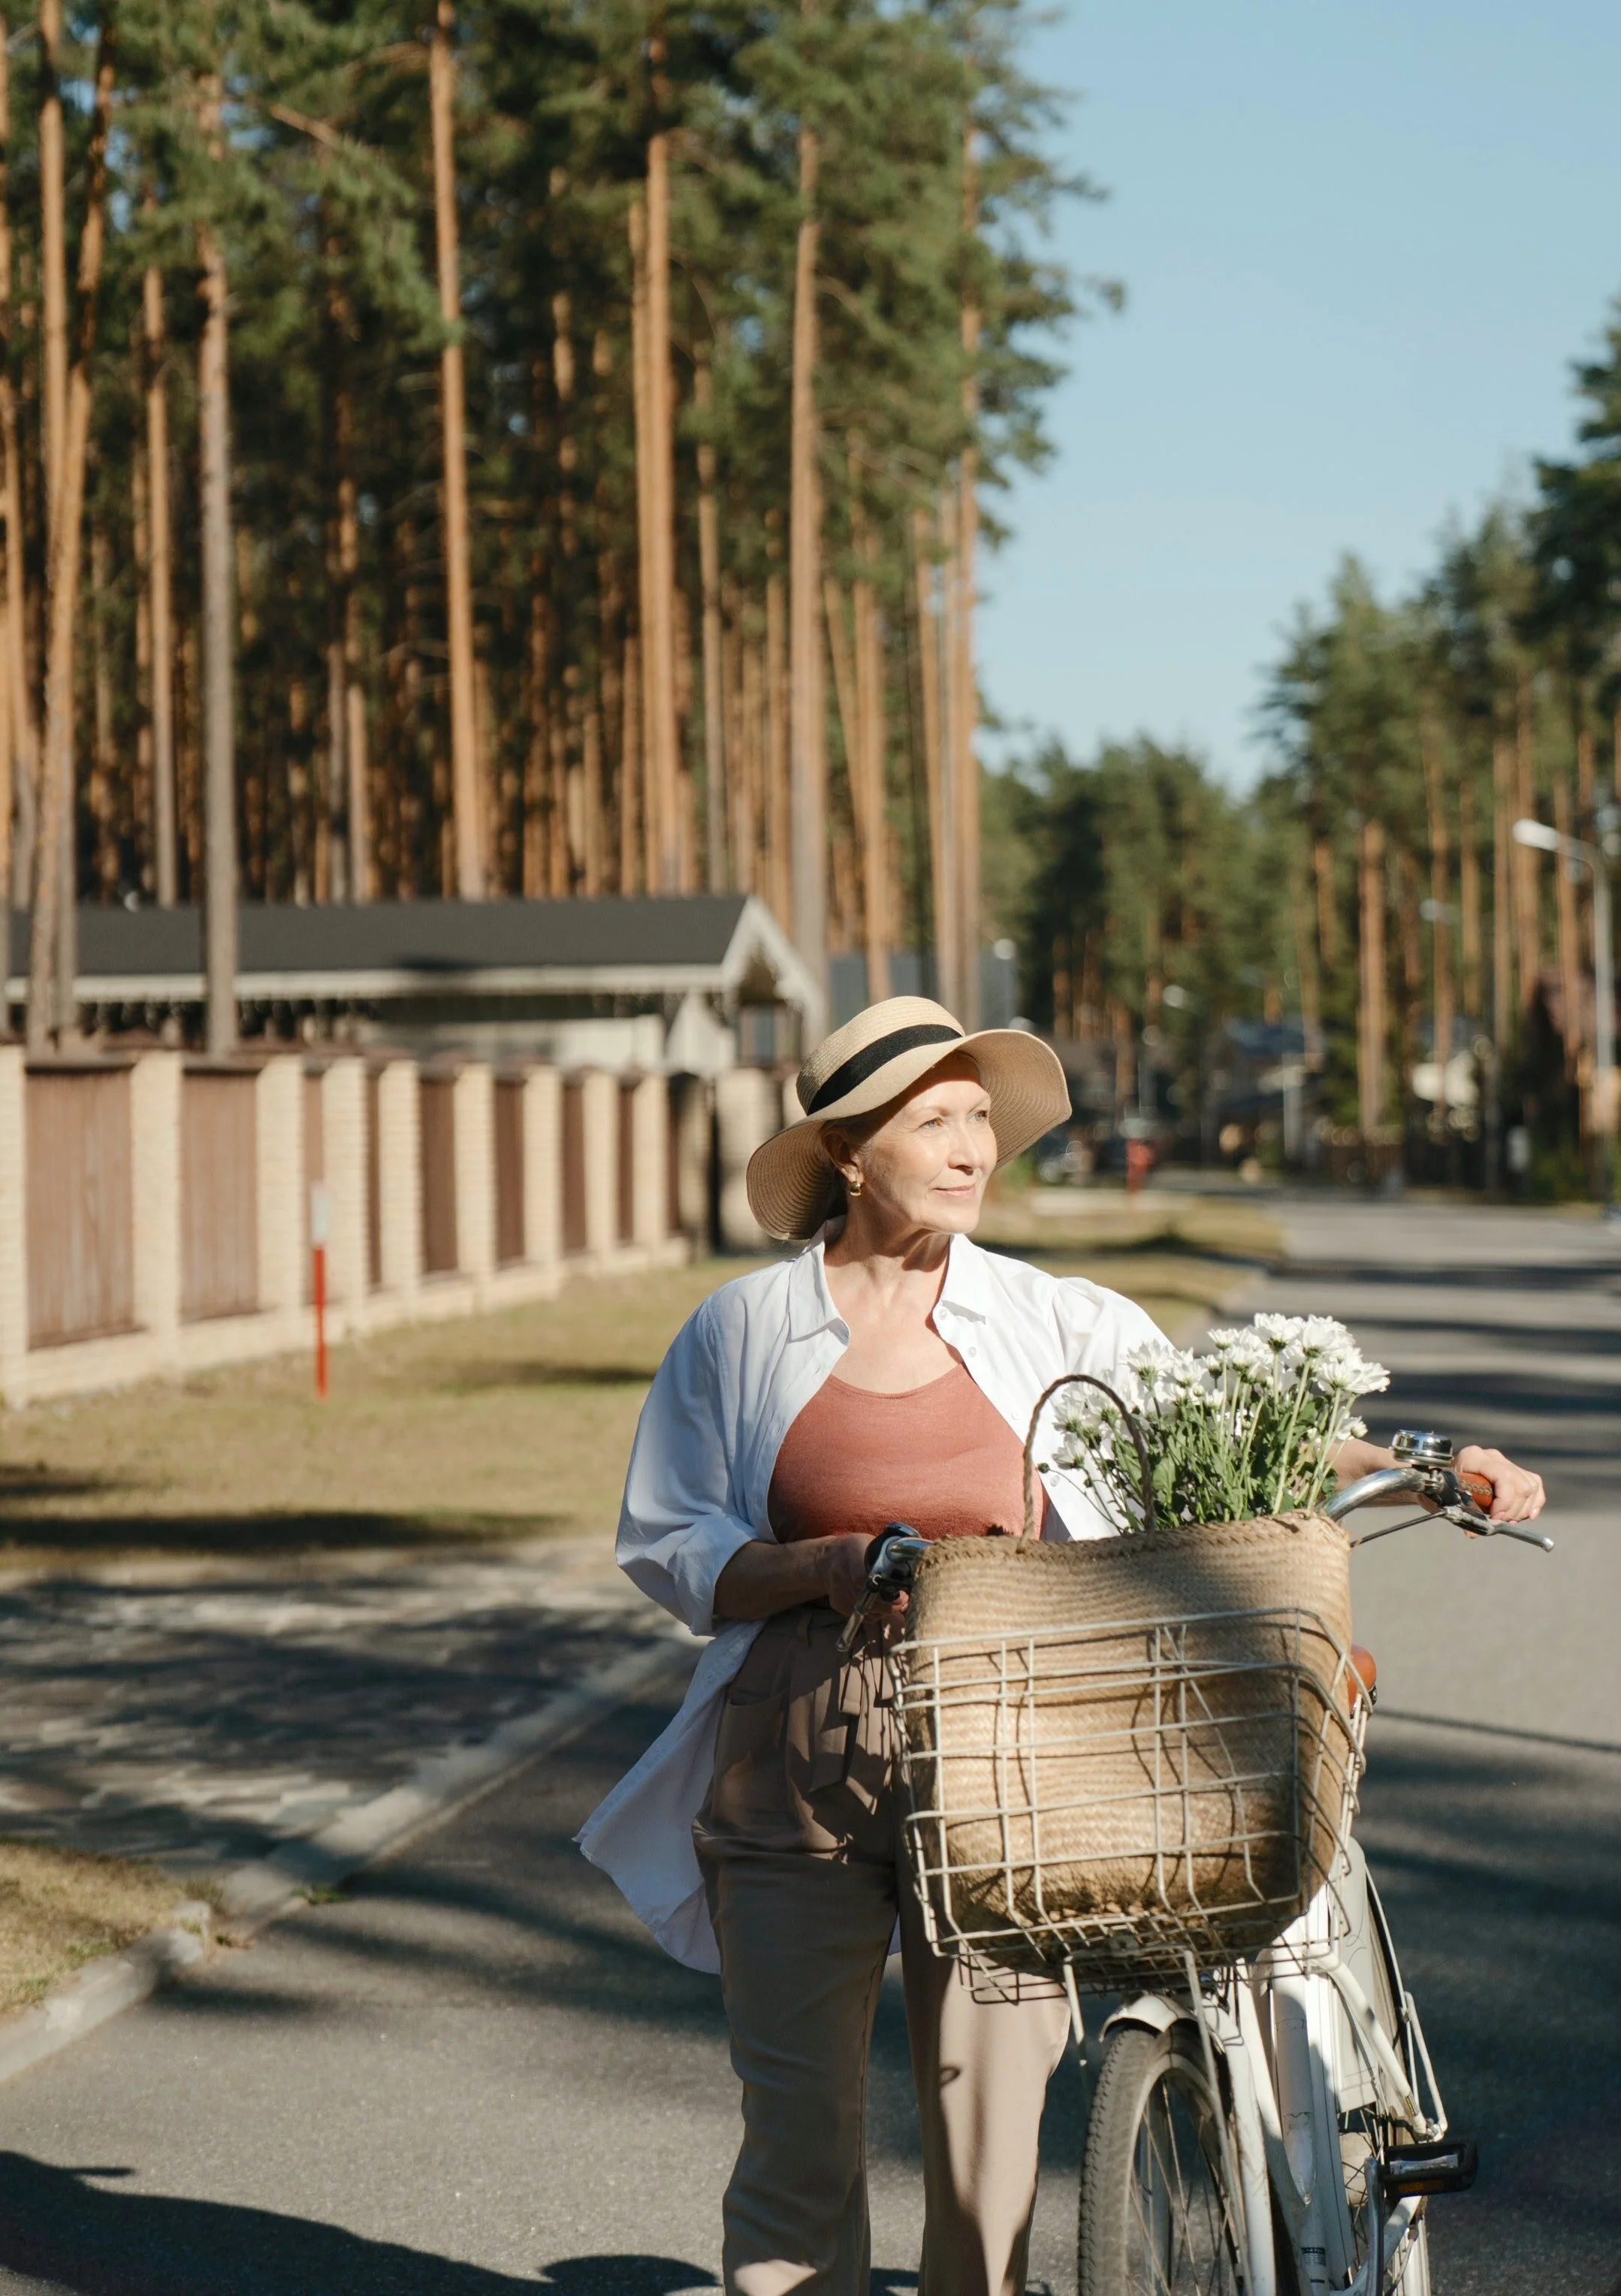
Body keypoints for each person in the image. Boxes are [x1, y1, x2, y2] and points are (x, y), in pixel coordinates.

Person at [579, 995, 1543, 2296]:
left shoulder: (1050, 1316)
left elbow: (1219, 1420)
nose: (975, 1145)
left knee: (987, 2170)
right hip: (797, 1763)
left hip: (1011, 1763)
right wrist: (823, 1564)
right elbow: (669, 1541)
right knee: (797, 2144)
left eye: (981, 1117)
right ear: (852, 1155)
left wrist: (1425, 1467)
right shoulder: (742, 1332)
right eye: (938, 1121)